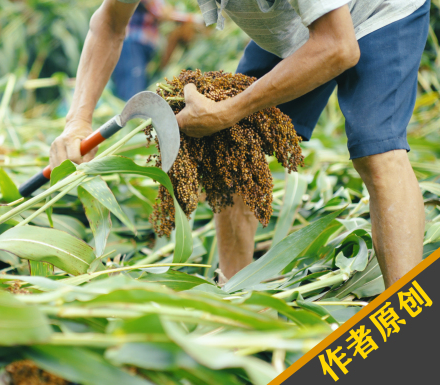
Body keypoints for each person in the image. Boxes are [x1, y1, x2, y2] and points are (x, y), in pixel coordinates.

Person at [50, 0, 430, 288]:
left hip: (378, 11)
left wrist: (229, 110)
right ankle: (240, 293)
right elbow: (110, 23)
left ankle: (409, 328)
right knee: (232, 144)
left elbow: (337, 46)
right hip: (297, 27)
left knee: (377, 153)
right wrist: (77, 122)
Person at [111, 0, 200, 100]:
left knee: (138, 89)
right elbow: (161, 12)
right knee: (132, 93)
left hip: (141, 46)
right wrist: (193, 19)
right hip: (132, 44)